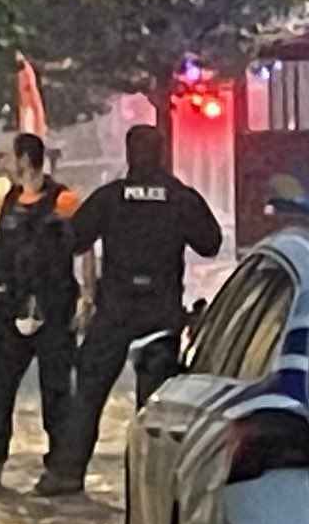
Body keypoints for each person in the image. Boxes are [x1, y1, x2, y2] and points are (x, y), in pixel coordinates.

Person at [51, 121, 222, 499]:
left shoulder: (111, 197)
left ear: (129, 154)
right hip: (161, 314)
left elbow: (74, 239)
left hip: (116, 310)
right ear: (162, 153)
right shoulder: (180, 198)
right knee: (156, 410)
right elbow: (210, 243)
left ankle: (66, 473)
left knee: (88, 396)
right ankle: (156, 488)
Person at [0, 134, 81, 491]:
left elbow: (83, 249)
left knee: (57, 392)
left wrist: (87, 297)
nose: (2, 163)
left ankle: (60, 466)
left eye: (8, 157)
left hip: (53, 307)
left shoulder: (63, 199)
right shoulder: (9, 200)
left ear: (25, 159)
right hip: (10, 307)